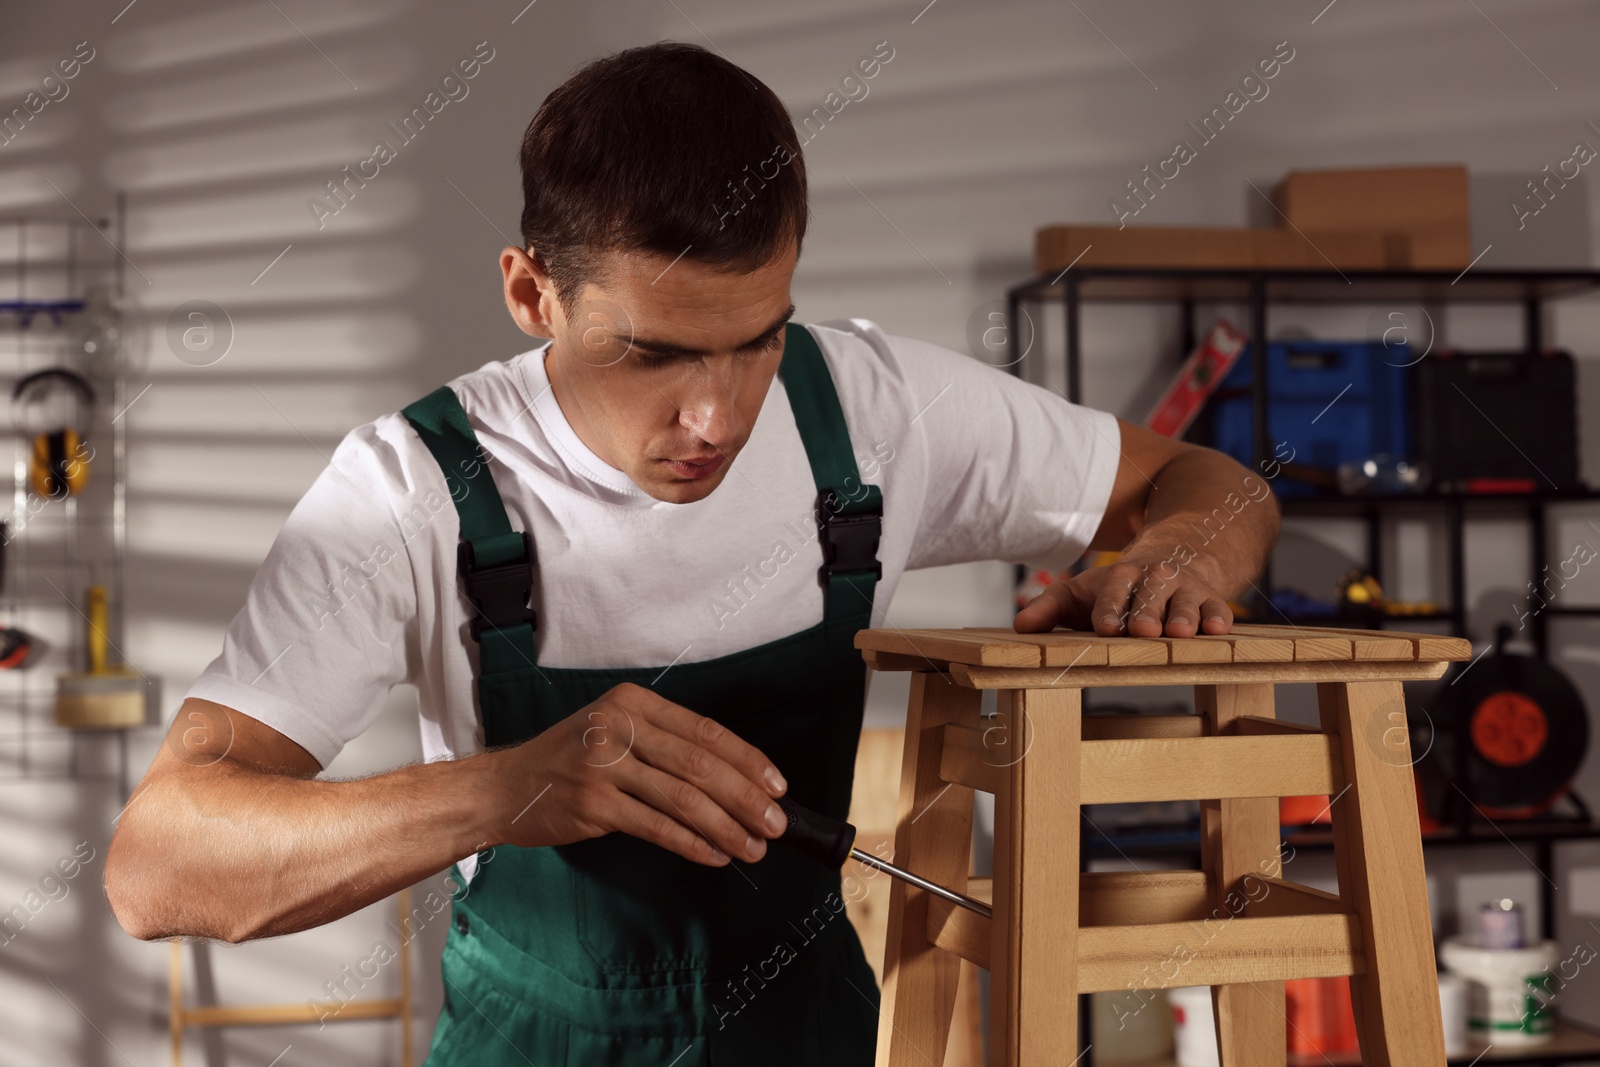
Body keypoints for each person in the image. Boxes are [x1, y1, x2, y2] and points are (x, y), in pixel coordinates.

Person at [105, 41, 1279, 1066]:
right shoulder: (412, 489)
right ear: (532, 292)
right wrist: (511, 786)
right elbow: (158, 863)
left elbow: (1205, 484)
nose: (716, 416)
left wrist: (1179, 555)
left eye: (755, 339)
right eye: (655, 353)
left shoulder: (869, 409)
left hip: (811, 1033)